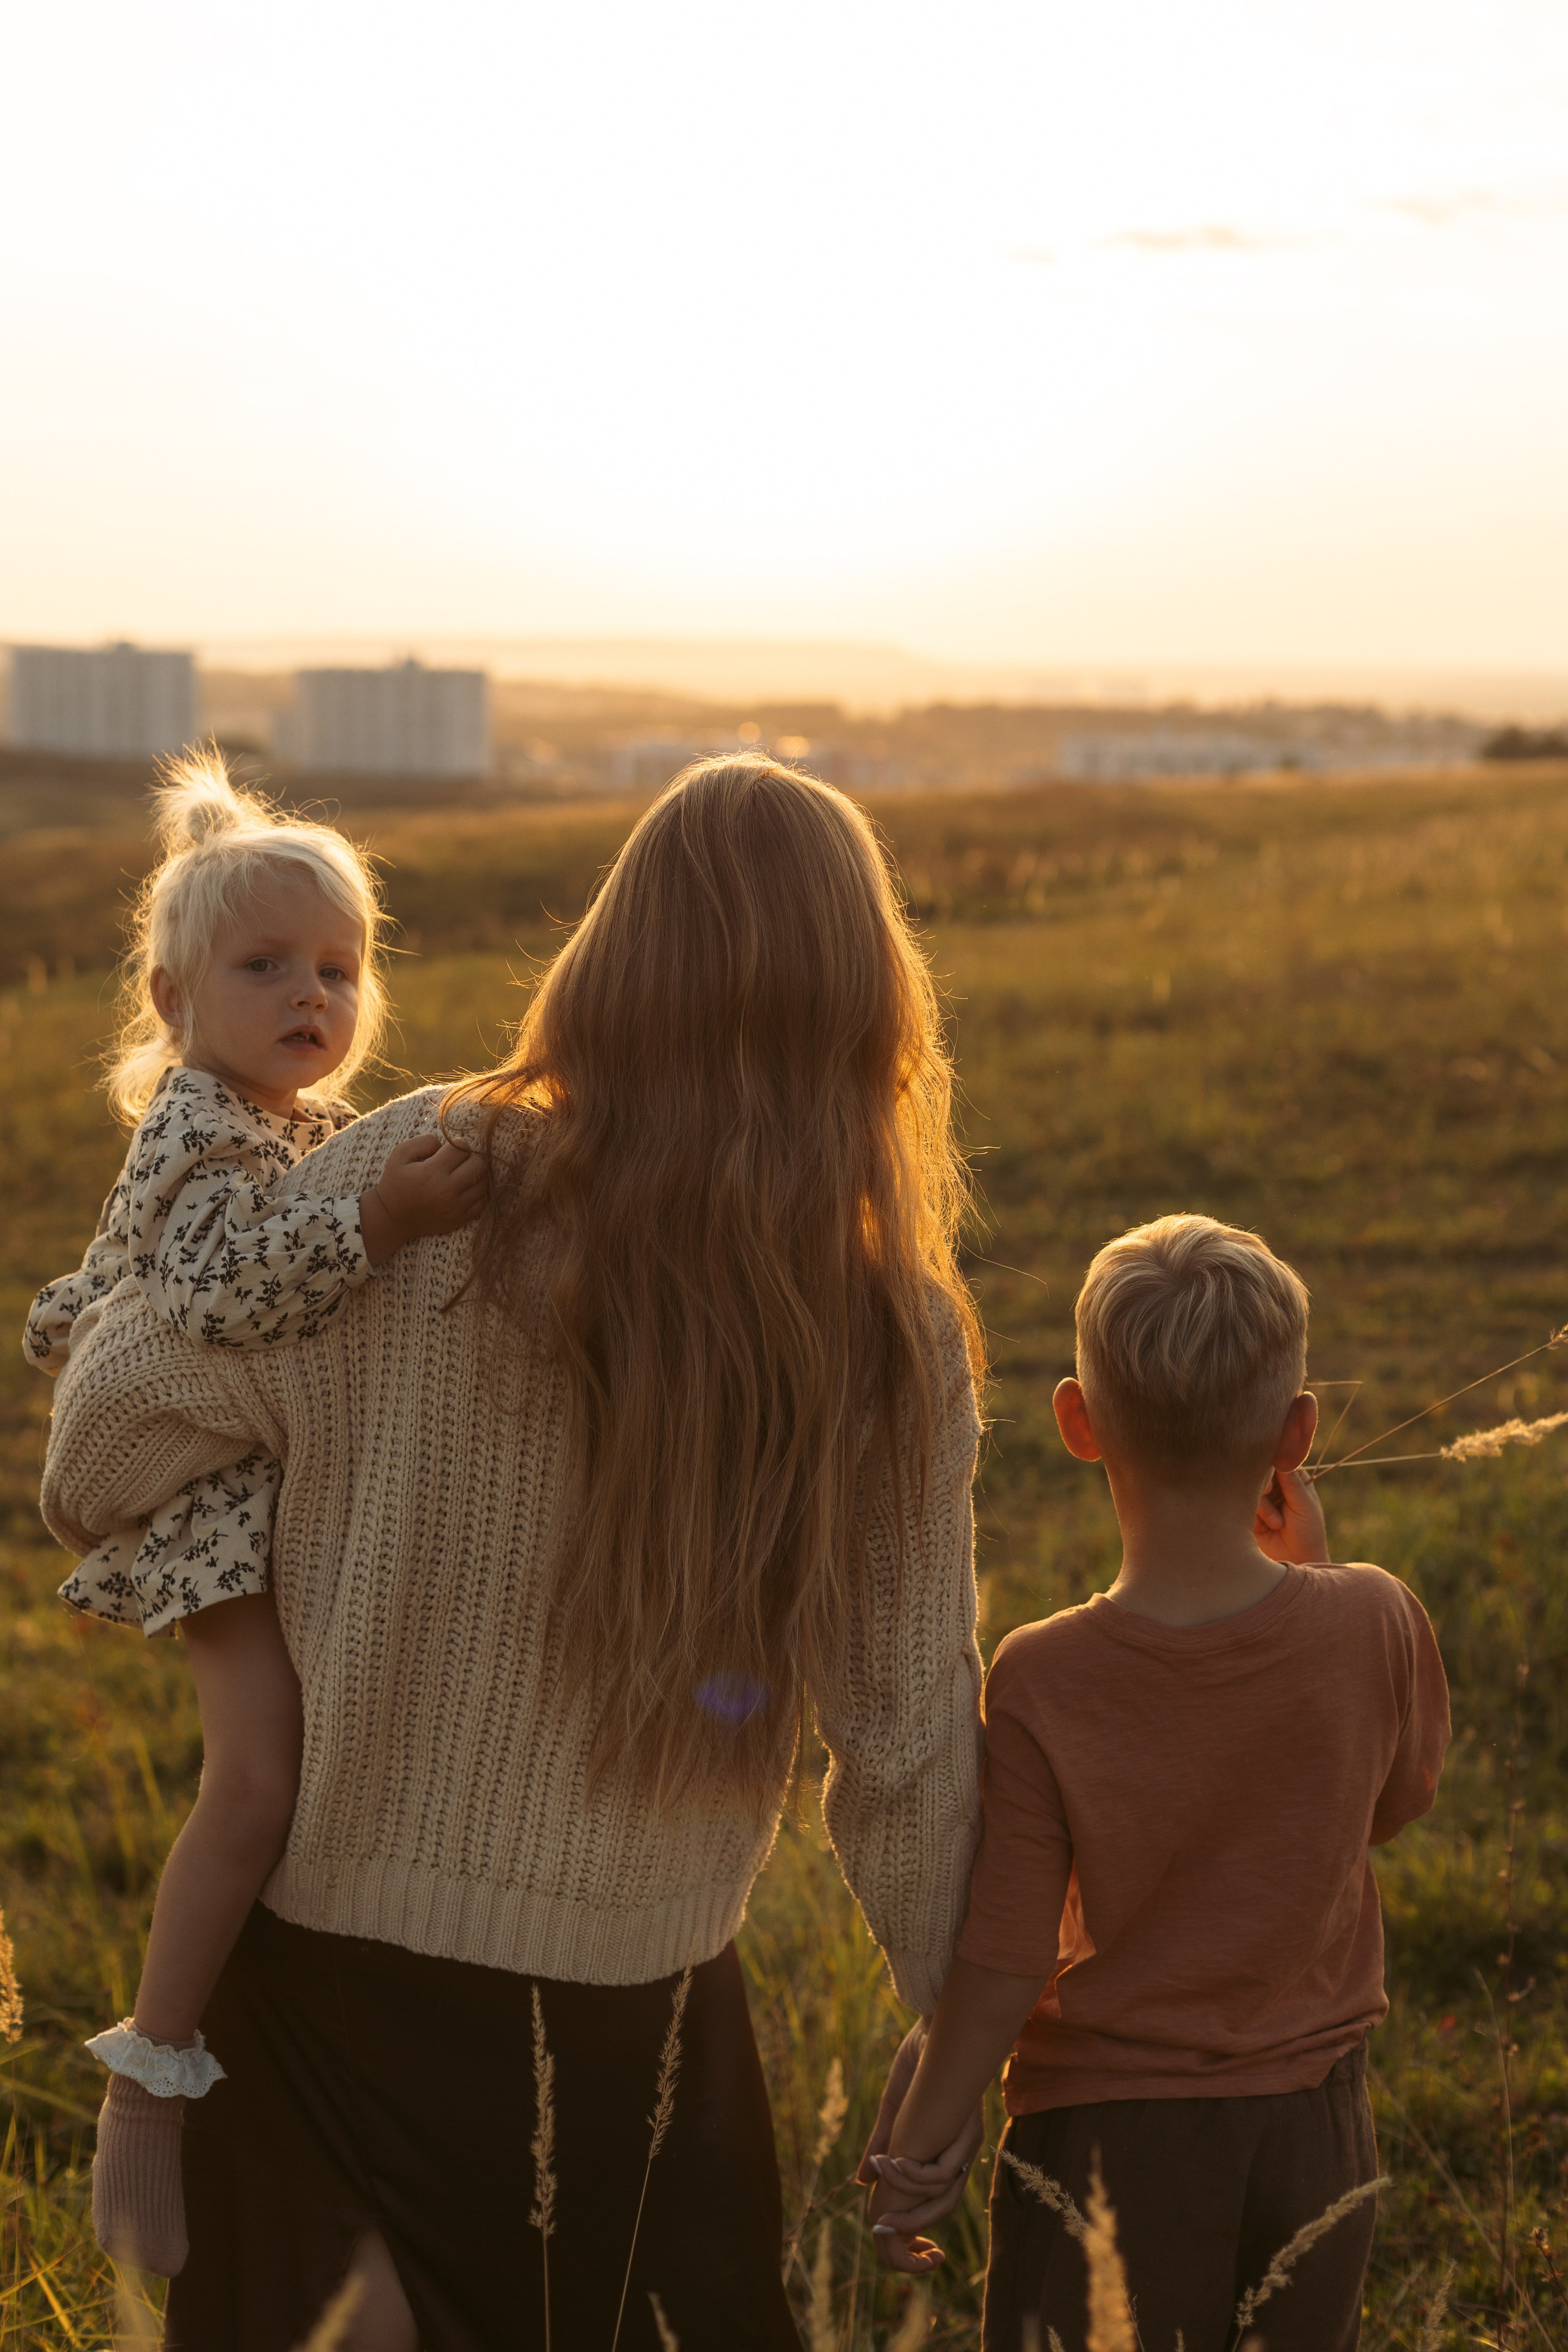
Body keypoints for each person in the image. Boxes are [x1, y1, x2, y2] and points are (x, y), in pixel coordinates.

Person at [41, 755, 987, 2352]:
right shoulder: (890, 1322)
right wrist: (956, 2036)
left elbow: (96, 1458)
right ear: (870, 1014)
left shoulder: (425, 1177)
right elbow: (906, 1741)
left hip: (327, 1998)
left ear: (609, 954)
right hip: (648, 2034)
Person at [24, 753, 487, 2276]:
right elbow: (222, 1295)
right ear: (171, 1000)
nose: (311, 994)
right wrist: (384, 1217)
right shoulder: (204, 1127)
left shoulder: (283, 1117)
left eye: (339, 970)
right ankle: (152, 2076)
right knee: (253, 1782)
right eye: (267, 966)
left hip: (268, 1503)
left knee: (313, 1766)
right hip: (209, 1521)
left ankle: (274, 2029)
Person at [866, 1214, 1450, 2352]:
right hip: (1317, 2137)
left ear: (1078, 1423)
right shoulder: (1377, 1616)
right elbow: (1391, 1804)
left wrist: (920, 2145)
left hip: (1108, 2145)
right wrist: (1317, 1580)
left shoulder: (1044, 1675)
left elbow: (1007, 1957)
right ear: (1296, 1434)